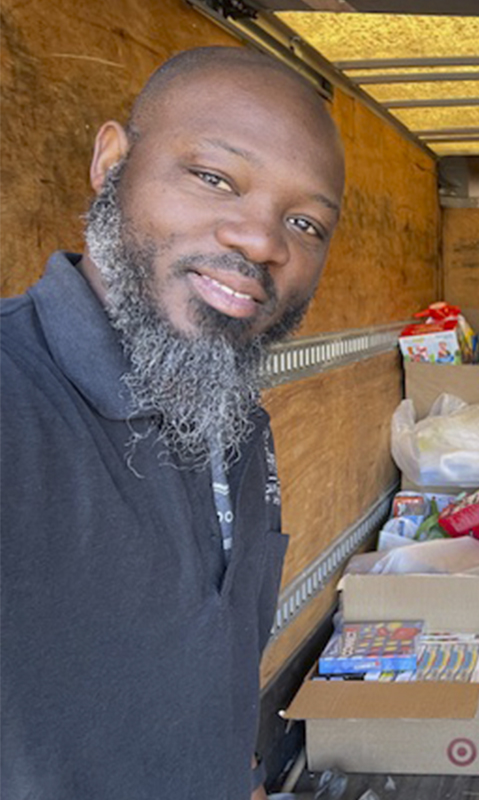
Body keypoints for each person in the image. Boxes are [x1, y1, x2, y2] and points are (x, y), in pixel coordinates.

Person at [0, 46, 345, 799]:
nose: (263, 242)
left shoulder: (236, 422)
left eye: (305, 223)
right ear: (111, 162)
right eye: (215, 179)